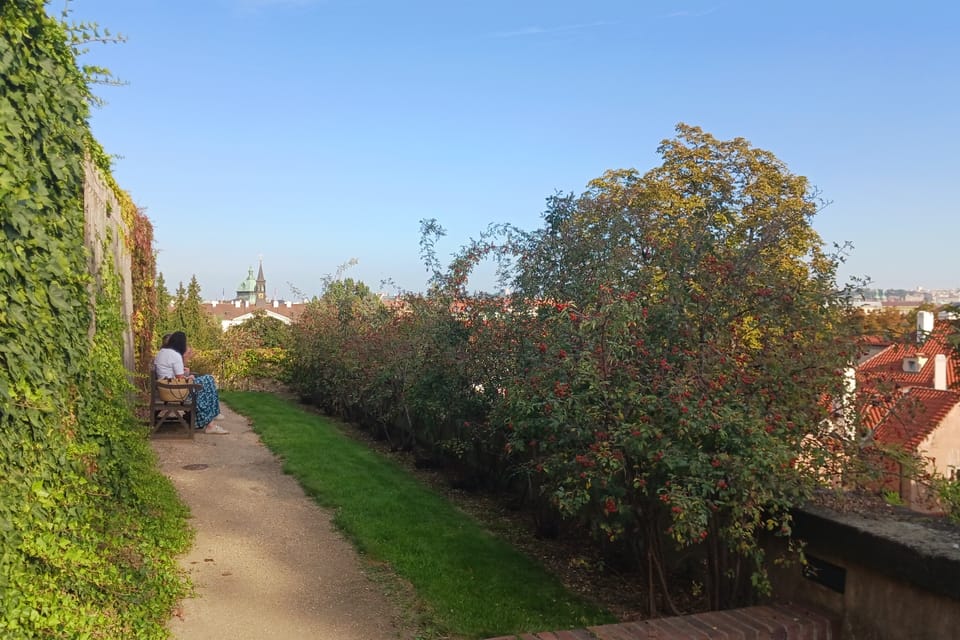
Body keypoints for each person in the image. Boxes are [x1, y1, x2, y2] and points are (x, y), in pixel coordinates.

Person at [154, 331, 228, 434]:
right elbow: (180, 378)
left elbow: (175, 374)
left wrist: (188, 376)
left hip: (166, 388)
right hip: (174, 392)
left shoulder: (162, 352)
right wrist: (190, 377)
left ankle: (212, 418)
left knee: (206, 381)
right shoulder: (175, 355)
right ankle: (212, 420)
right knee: (208, 381)